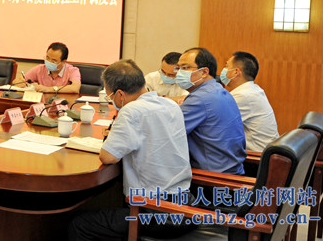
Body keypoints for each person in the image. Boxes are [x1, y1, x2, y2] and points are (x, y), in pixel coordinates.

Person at [68, 59, 193, 240]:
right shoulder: (171, 105)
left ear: (120, 94)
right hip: (185, 205)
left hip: (156, 212)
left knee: (80, 225)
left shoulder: (131, 111)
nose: (112, 101)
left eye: (110, 97)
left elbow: (108, 157)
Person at [176, 47, 246, 174]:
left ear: (204, 72)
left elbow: (169, 132)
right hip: (233, 170)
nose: (179, 73)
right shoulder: (218, 90)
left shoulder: (200, 98)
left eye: (185, 68)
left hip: (213, 177)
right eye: (178, 68)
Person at [220, 51, 279, 152]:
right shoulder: (253, 89)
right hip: (264, 152)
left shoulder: (243, 95)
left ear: (236, 72)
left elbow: (217, 125)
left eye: (226, 66)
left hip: (255, 157)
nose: (223, 70)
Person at [14, 42, 80, 93]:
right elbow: (18, 81)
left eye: (54, 60)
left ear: (63, 62)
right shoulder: (40, 69)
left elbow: (75, 88)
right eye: (47, 58)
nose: (49, 62)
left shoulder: (72, 71)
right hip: (42, 104)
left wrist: (49, 89)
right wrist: (19, 83)